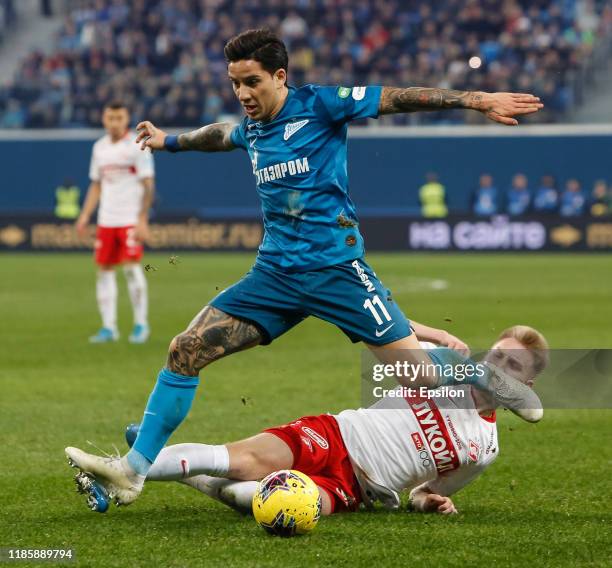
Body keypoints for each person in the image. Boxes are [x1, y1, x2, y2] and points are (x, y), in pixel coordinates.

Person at [65, 29, 544, 507]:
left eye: (251, 82)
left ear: (279, 75)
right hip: (274, 275)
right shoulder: (252, 128)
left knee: (418, 377)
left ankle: (478, 373)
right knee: (186, 349)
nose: (242, 94)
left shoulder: (321, 105)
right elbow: (217, 135)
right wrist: (170, 141)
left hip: (337, 269)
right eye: (234, 83)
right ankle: (132, 472)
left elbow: (396, 98)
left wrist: (476, 99)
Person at [76, 325, 549, 515]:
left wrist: (431, 504)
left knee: (268, 504)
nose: (499, 369)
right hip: (336, 436)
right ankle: (128, 469)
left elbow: (425, 492)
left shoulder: (484, 449)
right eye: (498, 356)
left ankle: (159, 464)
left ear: (526, 388)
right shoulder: (432, 366)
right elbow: (378, 328)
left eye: (513, 368)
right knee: (238, 460)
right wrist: (429, 334)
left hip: (359, 491)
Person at [75, 101, 155, 344]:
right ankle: (109, 327)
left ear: (127, 119)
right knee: (104, 271)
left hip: (129, 219)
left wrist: (142, 220)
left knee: (131, 268)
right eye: (110, 118)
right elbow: (97, 184)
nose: (114, 123)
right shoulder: (99, 148)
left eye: (119, 118)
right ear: (104, 119)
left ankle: (141, 324)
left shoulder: (137, 146)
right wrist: (85, 215)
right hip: (106, 220)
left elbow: (148, 185)